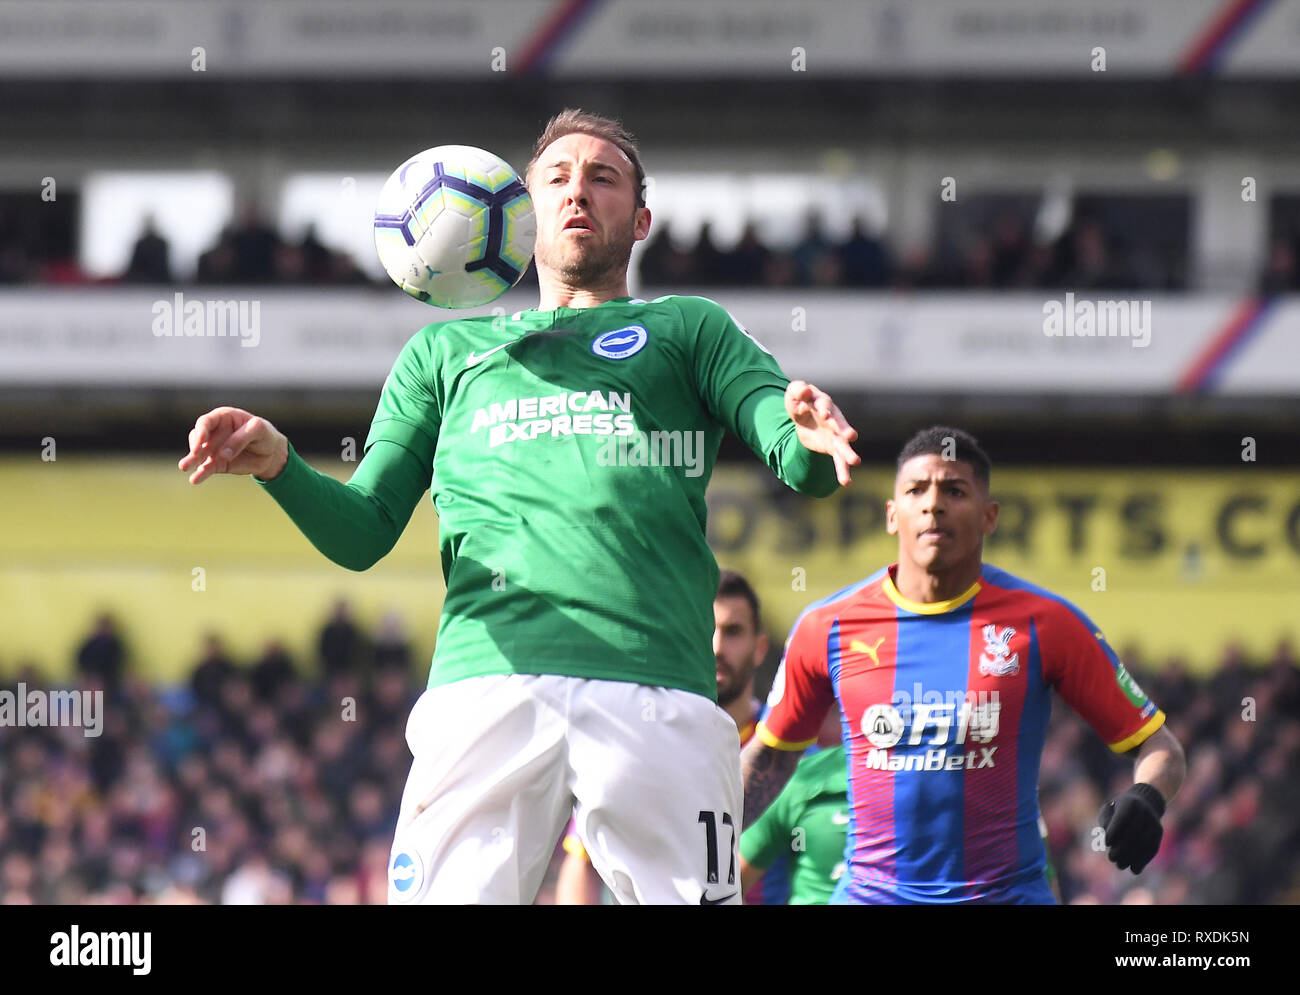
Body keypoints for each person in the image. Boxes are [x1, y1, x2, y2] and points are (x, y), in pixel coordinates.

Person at [177, 108, 860, 905]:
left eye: (604, 178)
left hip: (658, 692)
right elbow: (365, 531)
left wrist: (807, 437)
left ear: (640, 219)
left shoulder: (688, 329)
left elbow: (792, 447)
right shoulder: (445, 353)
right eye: (558, 177)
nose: (578, 192)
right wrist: (282, 465)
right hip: (487, 687)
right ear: (521, 211)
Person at [740, 426, 1185, 904]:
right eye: (916, 490)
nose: (933, 504)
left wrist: (1148, 797)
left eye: (954, 490)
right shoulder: (826, 626)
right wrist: (688, 846)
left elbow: (1161, 747)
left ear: (989, 517)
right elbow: (770, 758)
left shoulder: (1045, 623)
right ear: (892, 515)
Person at [556, 569, 769, 905]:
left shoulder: (788, 754)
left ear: (760, 648)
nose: (716, 647)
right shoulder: (636, 741)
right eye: (706, 631)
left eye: (733, 632)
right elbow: (581, 863)